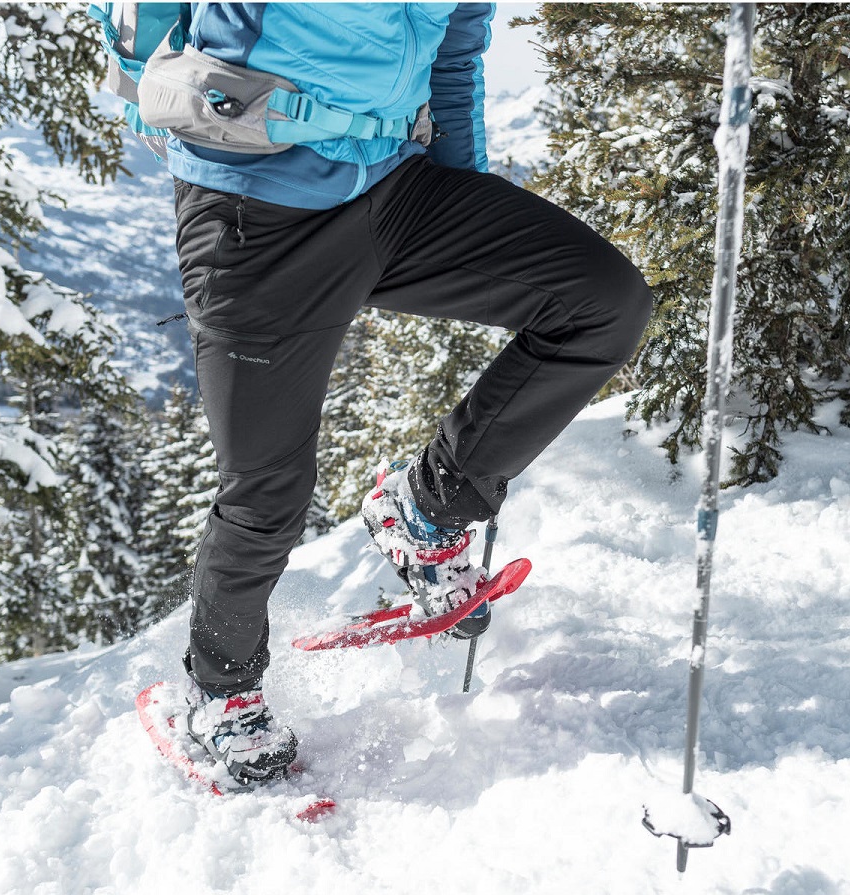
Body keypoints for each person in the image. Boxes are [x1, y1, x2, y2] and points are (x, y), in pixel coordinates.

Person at [171, 2, 652, 786]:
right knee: (268, 491)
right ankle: (220, 689)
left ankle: (427, 509)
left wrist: (467, 215)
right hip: (255, 211)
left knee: (602, 303)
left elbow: (456, 50)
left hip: (397, 193)